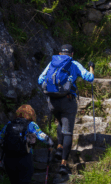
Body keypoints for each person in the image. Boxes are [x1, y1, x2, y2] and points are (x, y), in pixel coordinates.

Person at [38, 44, 95, 175]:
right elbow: (89, 78)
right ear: (72, 54)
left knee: (60, 122)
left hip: (52, 102)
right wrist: (91, 67)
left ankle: (59, 147)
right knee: (68, 131)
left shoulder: (52, 64)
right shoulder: (74, 64)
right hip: (68, 101)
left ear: (59, 53)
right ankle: (63, 164)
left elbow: (40, 80)